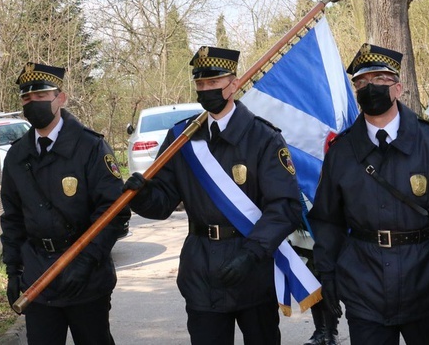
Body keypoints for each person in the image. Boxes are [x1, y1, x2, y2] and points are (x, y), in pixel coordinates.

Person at [308, 43, 429, 345]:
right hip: (364, 284)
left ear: (398, 88)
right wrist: (327, 272)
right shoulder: (341, 152)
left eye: (380, 79)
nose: (371, 87)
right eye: (362, 82)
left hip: (425, 280)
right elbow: (327, 219)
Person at [123, 46, 303, 345]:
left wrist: (252, 253)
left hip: (252, 267)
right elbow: (163, 202)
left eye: (213, 83)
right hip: (201, 269)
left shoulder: (263, 137)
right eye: (200, 84)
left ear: (233, 84)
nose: (206, 90)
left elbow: (284, 206)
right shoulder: (182, 137)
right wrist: (140, 195)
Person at [0, 62, 130, 345]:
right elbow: (12, 219)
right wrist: (13, 270)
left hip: (87, 275)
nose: (32, 103)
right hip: (39, 277)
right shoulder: (17, 156)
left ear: (60, 98)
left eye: (41, 96)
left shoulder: (90, 147)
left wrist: (85, 262)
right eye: (26, 98)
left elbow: (113, 211)